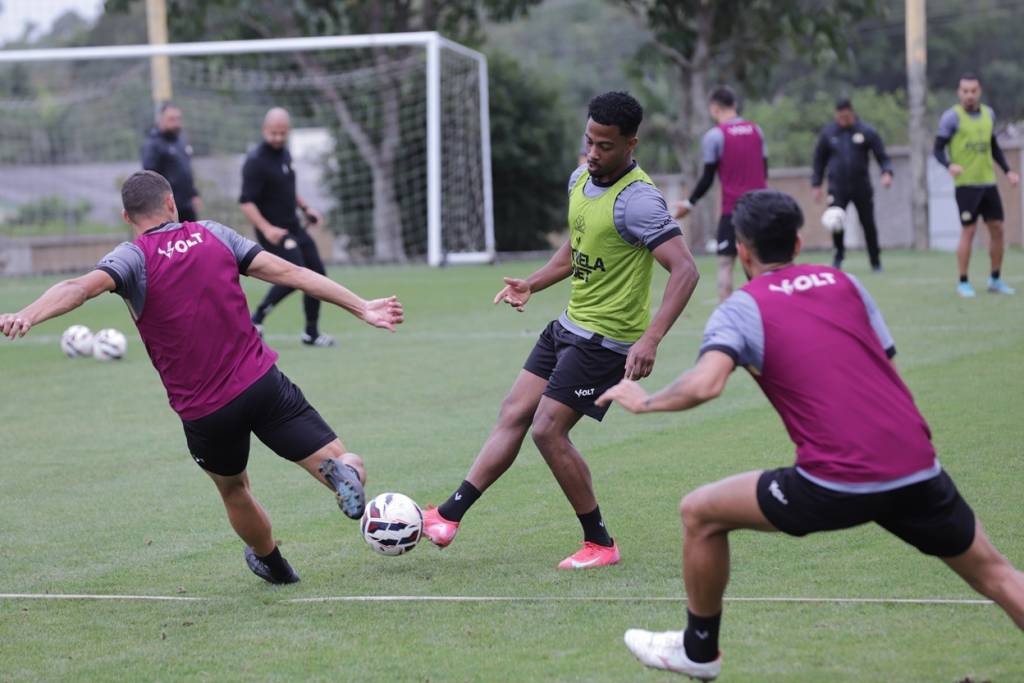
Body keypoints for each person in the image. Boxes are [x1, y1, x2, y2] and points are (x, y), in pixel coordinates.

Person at [597, 189, 1024, 680]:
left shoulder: (743, 306)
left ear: (742, 251)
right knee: (997, 575)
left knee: (700, 512)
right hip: (916, 465)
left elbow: (707, 382)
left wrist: (645, 400)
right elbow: (884, 367)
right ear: (799, 243)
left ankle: (699, 651)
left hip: (835, 481)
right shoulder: (845, 282)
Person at [0, 171, 404, 585]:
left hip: (207, 412)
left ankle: (274, 565)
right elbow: (292, 273)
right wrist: (361, 307)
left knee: (234, 490)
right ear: (172, 203)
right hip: (263, 384)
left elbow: (78, 288)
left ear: (126, 215)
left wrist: (27, 315)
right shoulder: (214, 234)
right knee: (340, 458)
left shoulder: (132, 257)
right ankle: (343, 474)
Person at [421, 91, 700, 570]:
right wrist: (532, 283)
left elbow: (686, 270)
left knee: (548, 429)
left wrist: (650, 339)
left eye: (606, 146)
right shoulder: (581, 177)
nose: (593, 153)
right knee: (513, 412)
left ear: (631, 144)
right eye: (589, 141)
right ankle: (447, 517)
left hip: (606, 340)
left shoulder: (639, 202)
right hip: (568, 326)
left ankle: (601, 543)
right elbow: (573, 253)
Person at [241, 107, 336, 346]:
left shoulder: (284, 154)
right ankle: (257, 317)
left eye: (282, 133)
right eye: (273, 133)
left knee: (317, 275)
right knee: (296, 273)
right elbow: (246, 202)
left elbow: (288, 188)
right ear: (265, 130)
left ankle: (311, 333)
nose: (278, 138)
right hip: (274, 233)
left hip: (294, 226)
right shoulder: (255, 162)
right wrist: (267, 229)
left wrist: (306, 209)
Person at [674, 85, 767, 302]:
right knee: (758, 262)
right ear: (734, 105)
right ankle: (764, 311)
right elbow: (765, 170)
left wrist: (689, 203)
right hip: (761, 208)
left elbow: (707, 177)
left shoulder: (715, 136)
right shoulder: (756, 130)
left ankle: (727, 319)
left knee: (726, 263)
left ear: (714, 108)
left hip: (733, 210)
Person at [934, 73, 1019, 297]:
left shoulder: (988, 114)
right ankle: (963, 282)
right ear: (959, 92)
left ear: (979, 91)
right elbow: (937, 149)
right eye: (965, 91)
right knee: (969, 231)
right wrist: (949, 165)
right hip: (966, 185)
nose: (969, 95)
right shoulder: (951, 118)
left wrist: (1008, 171)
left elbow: (994, 147)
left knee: (998, 230)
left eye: (973, 91)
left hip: (988, 183)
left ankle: (995, 279)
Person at [812, 97, 893, 271]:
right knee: (836, 222)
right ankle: (838, 256)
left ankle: (875, 260)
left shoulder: (866, 131)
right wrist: (816, 184)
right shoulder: (828, 134)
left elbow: (882, 155)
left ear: (852, 113)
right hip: (838, 187)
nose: (843, 120)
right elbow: (819, 161)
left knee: (868, 223)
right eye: (840, 116)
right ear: (836, 115)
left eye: (846, 116)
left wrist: (886, 172)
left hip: (861, 186)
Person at [141, 102, 202, 222]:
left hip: (187, 205)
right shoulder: (153, 144)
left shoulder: (180, 141)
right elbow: (150, 176)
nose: (176, 123)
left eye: (178, 119)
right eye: (171, 119)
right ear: (161, 120)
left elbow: (186, 172)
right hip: (166, 207)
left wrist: (194, 194)